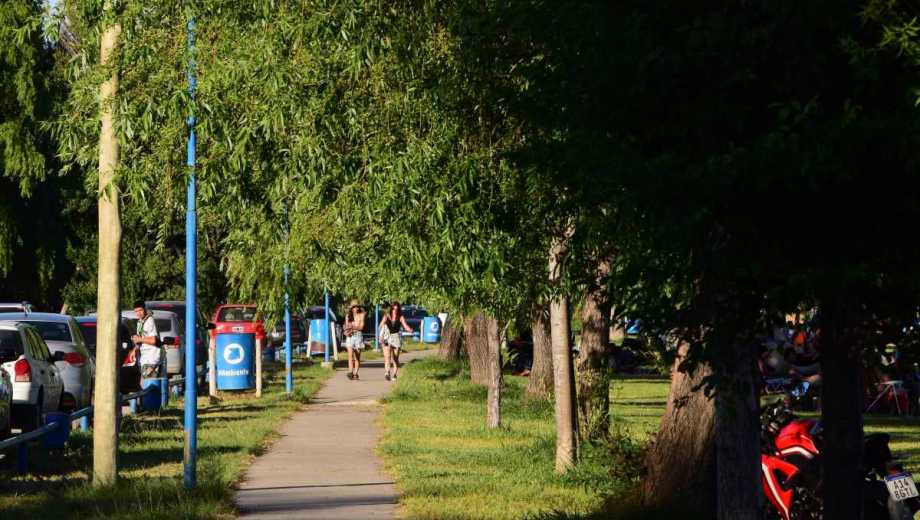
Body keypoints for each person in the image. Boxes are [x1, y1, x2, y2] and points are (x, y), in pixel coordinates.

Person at [379, 301, 413, 380]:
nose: (395, 311)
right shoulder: (386, 316)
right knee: (387, 357)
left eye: (397, 309)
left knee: (395, 358)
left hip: (396, 337)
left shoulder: (400, 317)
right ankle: (387, 373)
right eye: (394, 309)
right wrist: (381, 336)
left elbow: (405, 326)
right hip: (387, 337)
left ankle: (394, 374)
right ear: (391, 309)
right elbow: (380, 326)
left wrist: (409, 330)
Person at [131, 300, 162, 381]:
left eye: (140, 310)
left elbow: (154, 340)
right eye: (136, 311)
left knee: (149, 382)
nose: (138, 313)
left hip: (152, 357)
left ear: (145, 309)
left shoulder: (150, 321)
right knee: (144, 382)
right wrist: (135, 349)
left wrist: (139, 339)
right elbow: (141, 339)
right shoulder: (140, 322)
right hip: (145, 357)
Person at [344, 302, 367, 380]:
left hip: (358, 336)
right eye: (354, 307)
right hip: (350, 336)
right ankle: (350, 372)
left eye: (357, 307)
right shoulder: (348, 316)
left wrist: (353, 327)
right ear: (351, 308)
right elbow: (346, 326)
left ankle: (356, 373)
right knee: (350, 356)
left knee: (357, 356)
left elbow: (361, 327)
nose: (355, 308)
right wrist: (348, 330)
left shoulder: (362, 315)